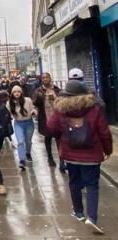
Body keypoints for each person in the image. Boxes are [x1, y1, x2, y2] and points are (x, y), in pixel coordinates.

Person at [46, 80, 113, 235]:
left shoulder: (60, 109)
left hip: (70, 154)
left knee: (74, 181)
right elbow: (104, 132)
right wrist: (107, 149)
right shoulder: (93, 109)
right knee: (92, 185)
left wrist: (62, 137)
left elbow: (50, 127)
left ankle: (78, 212)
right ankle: (93, 218)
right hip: (92, 154)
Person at [31, 73, 64, 170]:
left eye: (47, 77)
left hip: (57, 118)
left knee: (59, 139)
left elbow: (63, 102)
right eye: (43, 78)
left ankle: (62, 160)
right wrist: (37, 97)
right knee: (48, 138)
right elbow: (35, 103)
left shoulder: (57, 89)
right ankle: (50, 157)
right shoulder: (38, 90)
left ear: (50, 78)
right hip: (45, 118)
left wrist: (54, 98)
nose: (45, 79)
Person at [7, 85, 36, 170]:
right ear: (12, 93)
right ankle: (22, 160)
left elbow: (33, 109)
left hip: (29, 123)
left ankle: (28, 153)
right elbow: (7, 113)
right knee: (20, 141)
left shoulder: (28, 100)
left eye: (18, 91)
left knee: (28, 141)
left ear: (21, 92)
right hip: (18, 124)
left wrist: (33, 112)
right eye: (15, 92)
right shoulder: (10, 103)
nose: (17, 93)